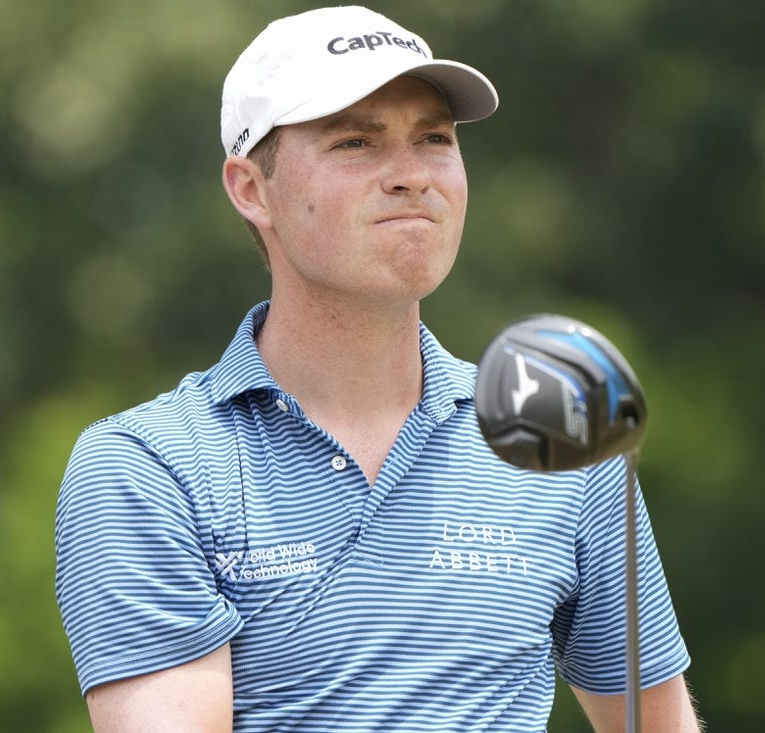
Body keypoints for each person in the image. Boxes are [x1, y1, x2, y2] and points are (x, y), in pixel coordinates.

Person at [55, 6, 702, 732]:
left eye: (433, 138)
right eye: (356, 142)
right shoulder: (147, 467)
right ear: (249, 189)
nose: (412, 176)